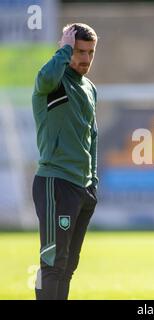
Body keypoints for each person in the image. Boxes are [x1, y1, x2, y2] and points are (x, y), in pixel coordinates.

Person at [32, 23, 99, 300]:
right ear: (67, 49)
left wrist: (93, 180)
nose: (84, 59)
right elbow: (45, 78)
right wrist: (63, 50)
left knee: (68, 265)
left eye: (90, 52)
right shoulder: (54, 81)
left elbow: (92, 135)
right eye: (79, 51)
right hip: (55, 181)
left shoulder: (90, 88)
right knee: (53, 263)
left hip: (82, 188)